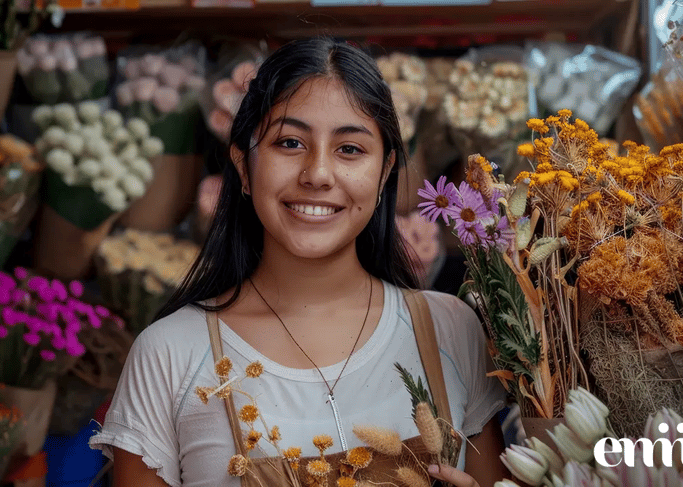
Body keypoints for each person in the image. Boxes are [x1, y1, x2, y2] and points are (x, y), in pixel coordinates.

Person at [89, 37, 509, 487]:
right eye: (290, 142)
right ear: (244, 168)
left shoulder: (449, 328)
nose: (318, 174)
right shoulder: (169, 354)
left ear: (385, 173)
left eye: (349, 149)